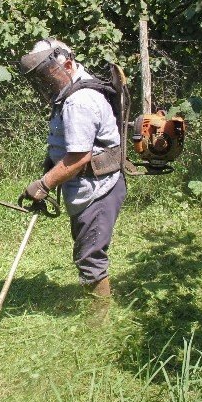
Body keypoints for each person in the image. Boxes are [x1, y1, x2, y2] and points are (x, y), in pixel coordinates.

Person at [17, 38, 127, 320]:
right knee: (86, 247)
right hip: (86, 186)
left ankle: (97, 321)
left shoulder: (79, 101)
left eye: (47, 76)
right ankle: (96, 308)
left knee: (90, 255)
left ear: (67, 64)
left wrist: (43, 185)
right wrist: (51, 170)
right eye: (40, 78)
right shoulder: (69, 92)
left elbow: (78, 159)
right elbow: (66, 147)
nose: (45, 83)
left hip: (98, 189)